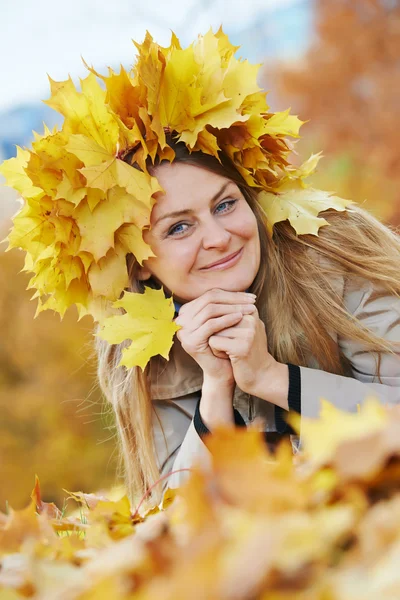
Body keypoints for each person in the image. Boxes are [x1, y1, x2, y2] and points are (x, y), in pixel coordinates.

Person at [1, 29, 399, 510]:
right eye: (178, 228)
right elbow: (171, 520)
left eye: (225, 204)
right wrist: (217, 387)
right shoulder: (138, 344)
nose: (217, 237)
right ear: (141, 265)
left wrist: (270, 378)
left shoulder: (333, 252)